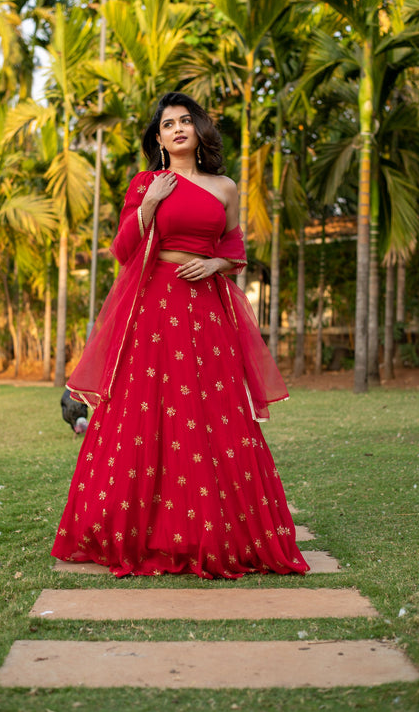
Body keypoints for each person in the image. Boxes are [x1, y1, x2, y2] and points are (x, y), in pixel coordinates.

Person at [51, 92, 309, 579]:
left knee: (212, 413)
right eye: (167, 124)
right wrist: (148, 205)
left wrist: (216, 263)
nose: (177, 129)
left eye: (185, 121)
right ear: (159, 139)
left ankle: (219, 531)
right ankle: (143, 531)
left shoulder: (224, 187)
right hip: (152, 311)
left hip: (207, 310)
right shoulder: (147, 184)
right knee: (145, 413)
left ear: (198, 130)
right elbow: (124, 249)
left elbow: (234, 247)